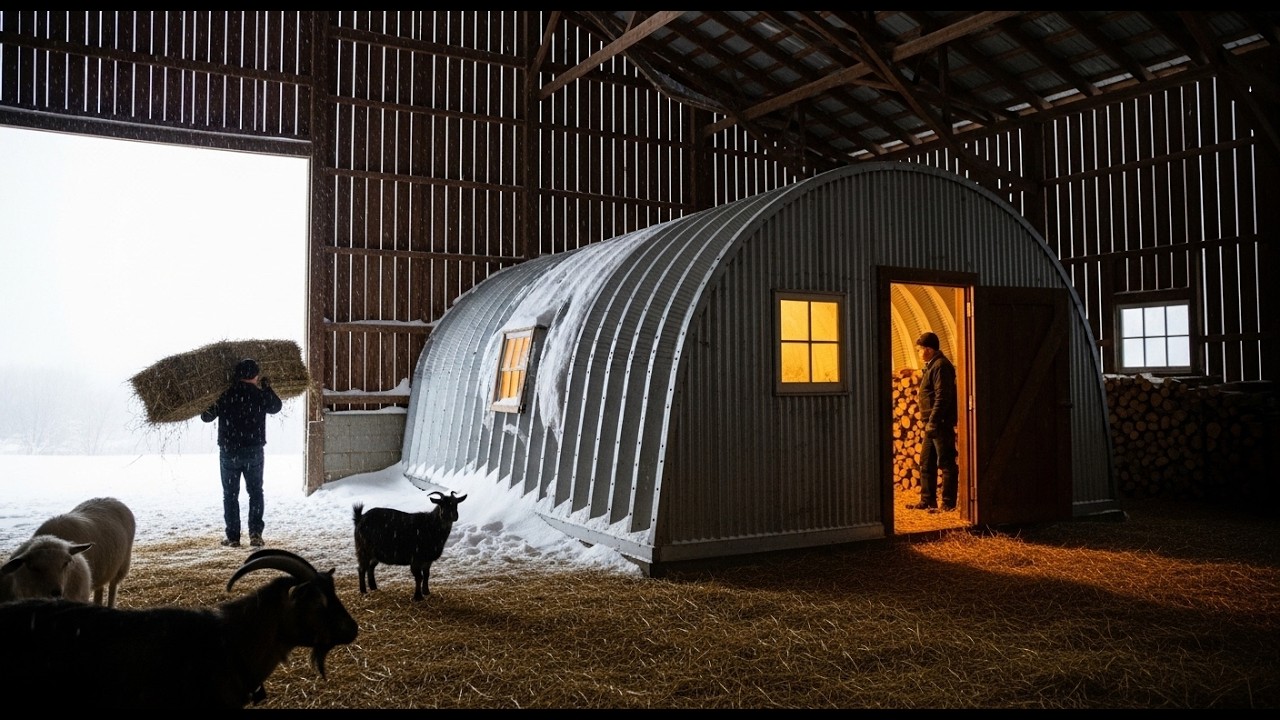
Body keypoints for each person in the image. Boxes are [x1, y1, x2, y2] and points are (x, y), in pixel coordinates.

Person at [201, 357, 282, 547]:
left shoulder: (226, 394)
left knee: (230, 494)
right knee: (255, 492)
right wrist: (267, 388)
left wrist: (208, 396)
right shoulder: (260, 395)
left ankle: (233, 537)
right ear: (255, 375)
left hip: (230, 453)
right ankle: (255, 534)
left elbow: (206, 417)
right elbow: (276, 407)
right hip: (253, 451)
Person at [909, 331, 959, 513]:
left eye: (920, 349)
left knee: (946, 462)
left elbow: (942, 396)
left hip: (939, 423)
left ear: (928, 349)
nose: (918, 353)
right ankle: (928, 500)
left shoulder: (940, 366)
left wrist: (934, 419)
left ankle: (948, 503)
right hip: (931, 423)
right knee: (926, 462)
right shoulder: (932, 365)